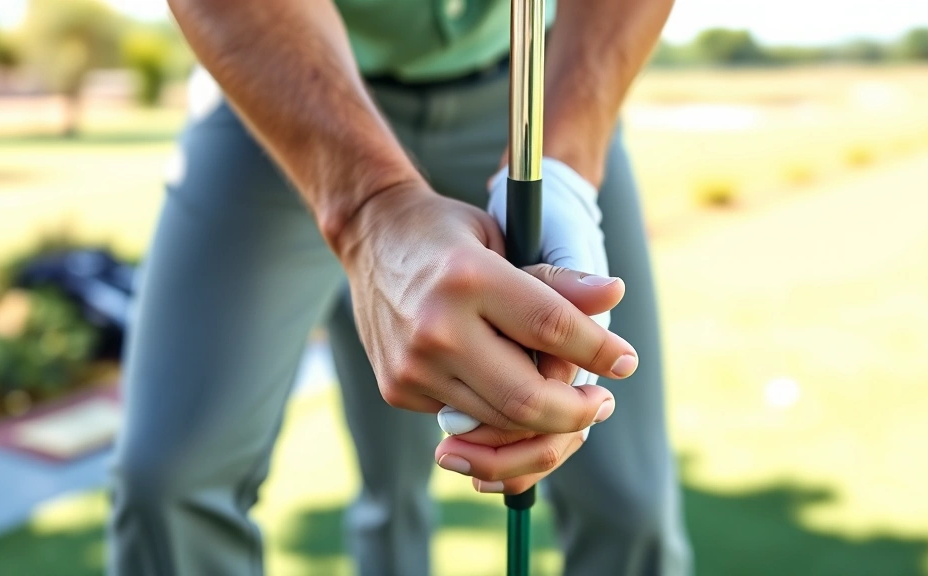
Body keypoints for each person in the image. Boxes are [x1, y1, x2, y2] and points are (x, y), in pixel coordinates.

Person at [108, 0, 693, 574]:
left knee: (631, 504)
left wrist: (567, 168)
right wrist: (368, 208)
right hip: (278, 75)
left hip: (533, 85)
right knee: (169, 480)